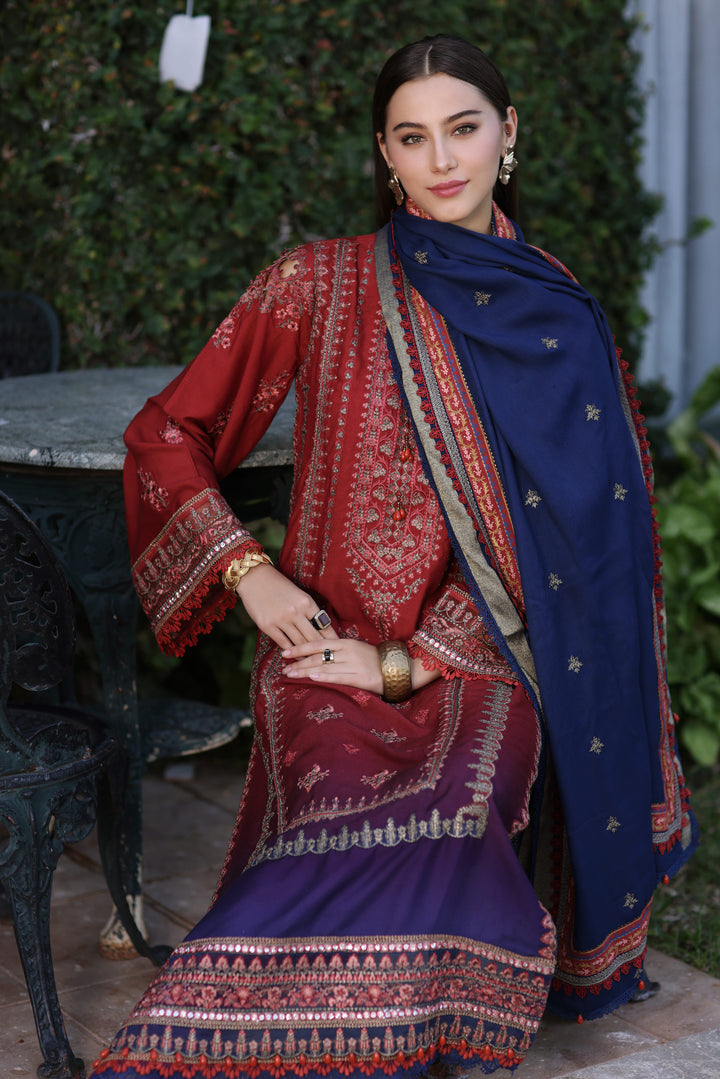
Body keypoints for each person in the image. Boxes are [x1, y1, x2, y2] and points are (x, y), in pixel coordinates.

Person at [89, 34, 697, 1079]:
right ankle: (215, 1041)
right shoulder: (318, 284)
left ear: (508, 133)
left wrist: (406, 663)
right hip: (326, 642)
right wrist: (250, 571)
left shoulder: (557, 315)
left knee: (454, 807)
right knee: (337, 807)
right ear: (385, 153)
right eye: (412, 138)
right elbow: (165, 434)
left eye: (464, 129)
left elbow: (582, 546)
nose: (442, 160)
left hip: (487, 658)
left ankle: (382, 1038)